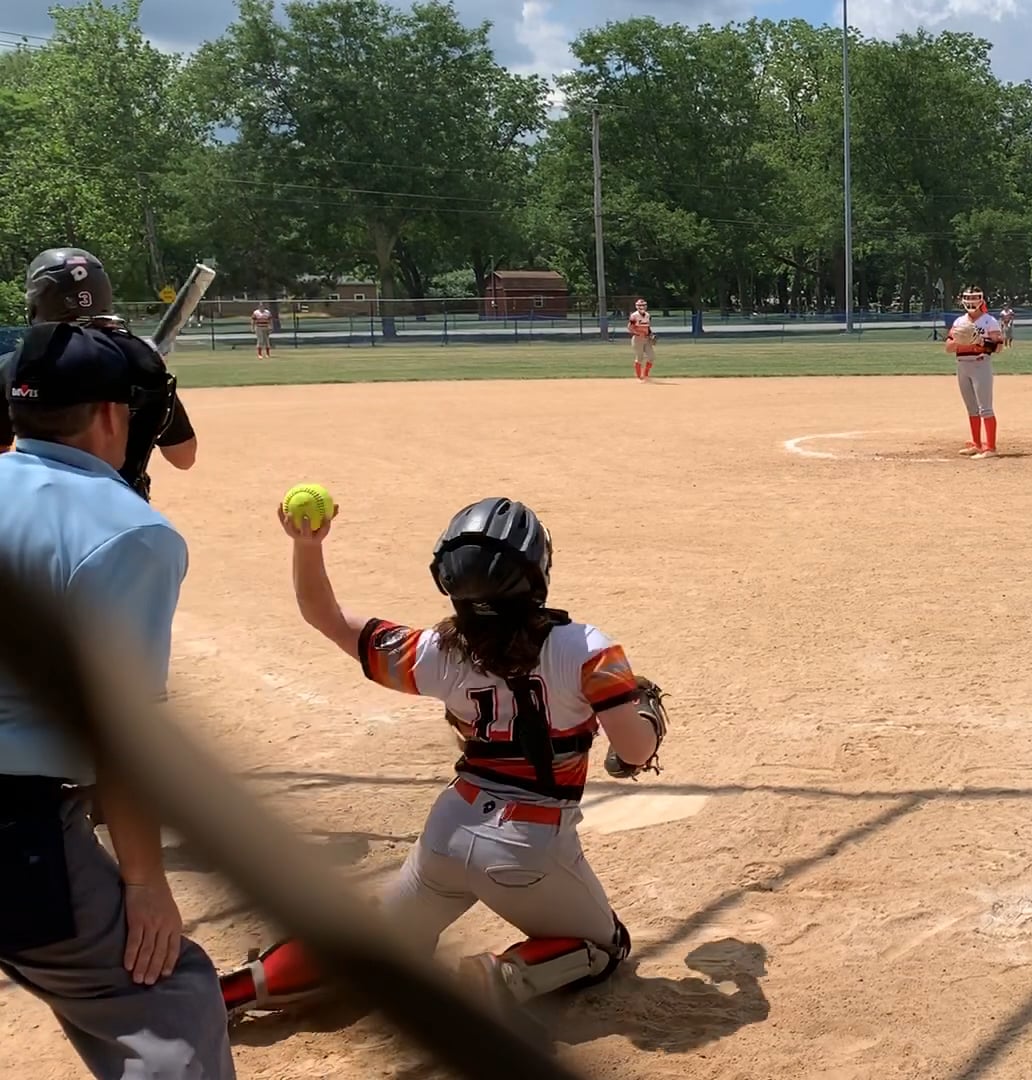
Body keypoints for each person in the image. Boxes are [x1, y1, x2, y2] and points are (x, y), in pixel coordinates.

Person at [220, 497, 669, 1018]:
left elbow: (327, 617)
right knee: (605, 946)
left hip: (447, 833)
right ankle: (493, 980)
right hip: (527, 847)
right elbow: (634, 751)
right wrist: (646, 716)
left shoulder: (438, 650)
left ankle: (235, 990)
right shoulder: (586, 648)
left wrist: (306, 545)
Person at [0, 316, 236, 1079]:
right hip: (16, 832)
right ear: (110, 417)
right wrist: (145, 882)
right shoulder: (129, 532)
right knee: (170, 996)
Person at [1, 250, 199, 494]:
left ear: (38, 301)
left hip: (35, 508)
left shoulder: (17, 365)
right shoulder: (141, 364)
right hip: (122, 507)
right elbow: (183, 456)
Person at [944, 287, 1004, 459]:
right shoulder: (959, 322)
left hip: (980, 365)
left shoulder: (989, 321)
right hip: (963, 365)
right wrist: (960, 340)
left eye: (974, 298)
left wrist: (980, 342)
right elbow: (948, 347)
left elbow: (998, 347)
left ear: (981, 299)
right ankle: (977, 444)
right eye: (968, 298)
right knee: (971, 408)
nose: (971, 302)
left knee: (985, 408)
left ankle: (990, 448)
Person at [627, 298, 655, 381]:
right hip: (637, 339)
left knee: (651, 357)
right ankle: (639, 377)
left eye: (643, 305)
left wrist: (651, 334)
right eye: (640, 305)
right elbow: (630, 327)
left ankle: (646, 374)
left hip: (646, 338)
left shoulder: (648, 315)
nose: (642, 307)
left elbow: (648, 327)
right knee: (639, 358)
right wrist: (637, 333)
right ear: (637, 306)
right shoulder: (634, 316)